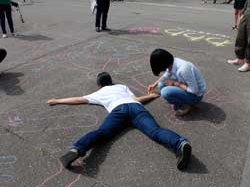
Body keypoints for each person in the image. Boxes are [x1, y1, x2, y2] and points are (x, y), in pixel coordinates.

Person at [47, 72, 192, 170]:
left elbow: (79, 100)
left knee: (102, 133)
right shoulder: (121, 86)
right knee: (155, 131)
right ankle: (180, 143)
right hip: (136, 108)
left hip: (118, 111)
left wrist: (57, 101)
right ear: (111, 81)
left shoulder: (99, 93)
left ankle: (77, 149)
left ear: (99, 84)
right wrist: (151, 96)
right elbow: (136, 99)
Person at [148, 49, 207, 116]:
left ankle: (186, 105)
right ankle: (179, 99)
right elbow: (166, 75)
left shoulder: (183, 69)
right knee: (161, 84)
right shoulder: (172, 62)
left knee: (165, 92)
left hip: (195, 96)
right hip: (185, 85)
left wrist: (176, 83)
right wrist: (154, 85)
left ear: (162, 64)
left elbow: (194, 90)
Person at [227, 0, 250, 71]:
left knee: (249, 39)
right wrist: (243, 11)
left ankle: (248, 63)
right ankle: (239, 58)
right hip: (247, 11)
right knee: (241, 35)